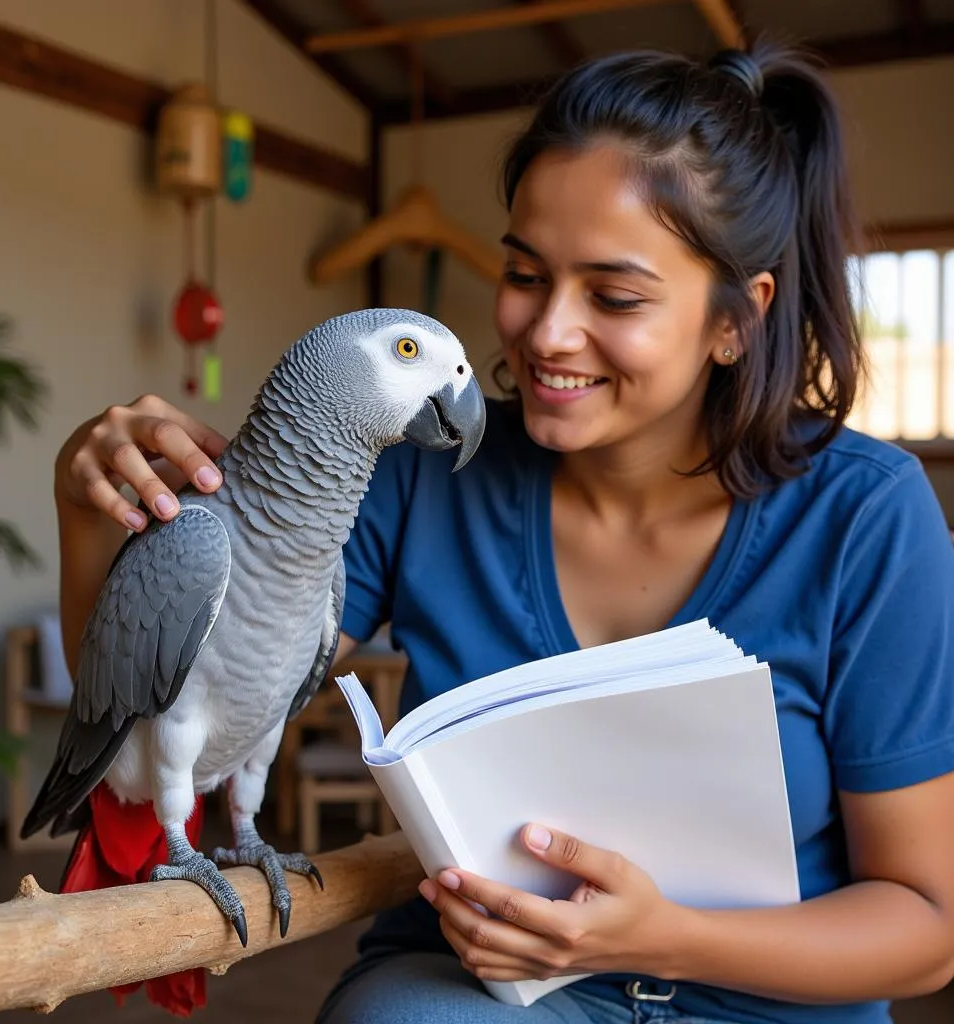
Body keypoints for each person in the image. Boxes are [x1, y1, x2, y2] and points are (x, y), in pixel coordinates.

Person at [51, 37, 954, 1024]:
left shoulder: (866, 515)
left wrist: (654, 936)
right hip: (475, 983)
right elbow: (165, 695)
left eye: (613, 295)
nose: (546, 335)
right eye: (525, 274)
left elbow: (927, 924)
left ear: (736, 320)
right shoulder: (414, 480)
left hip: (774, 1002)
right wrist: (86, 502)